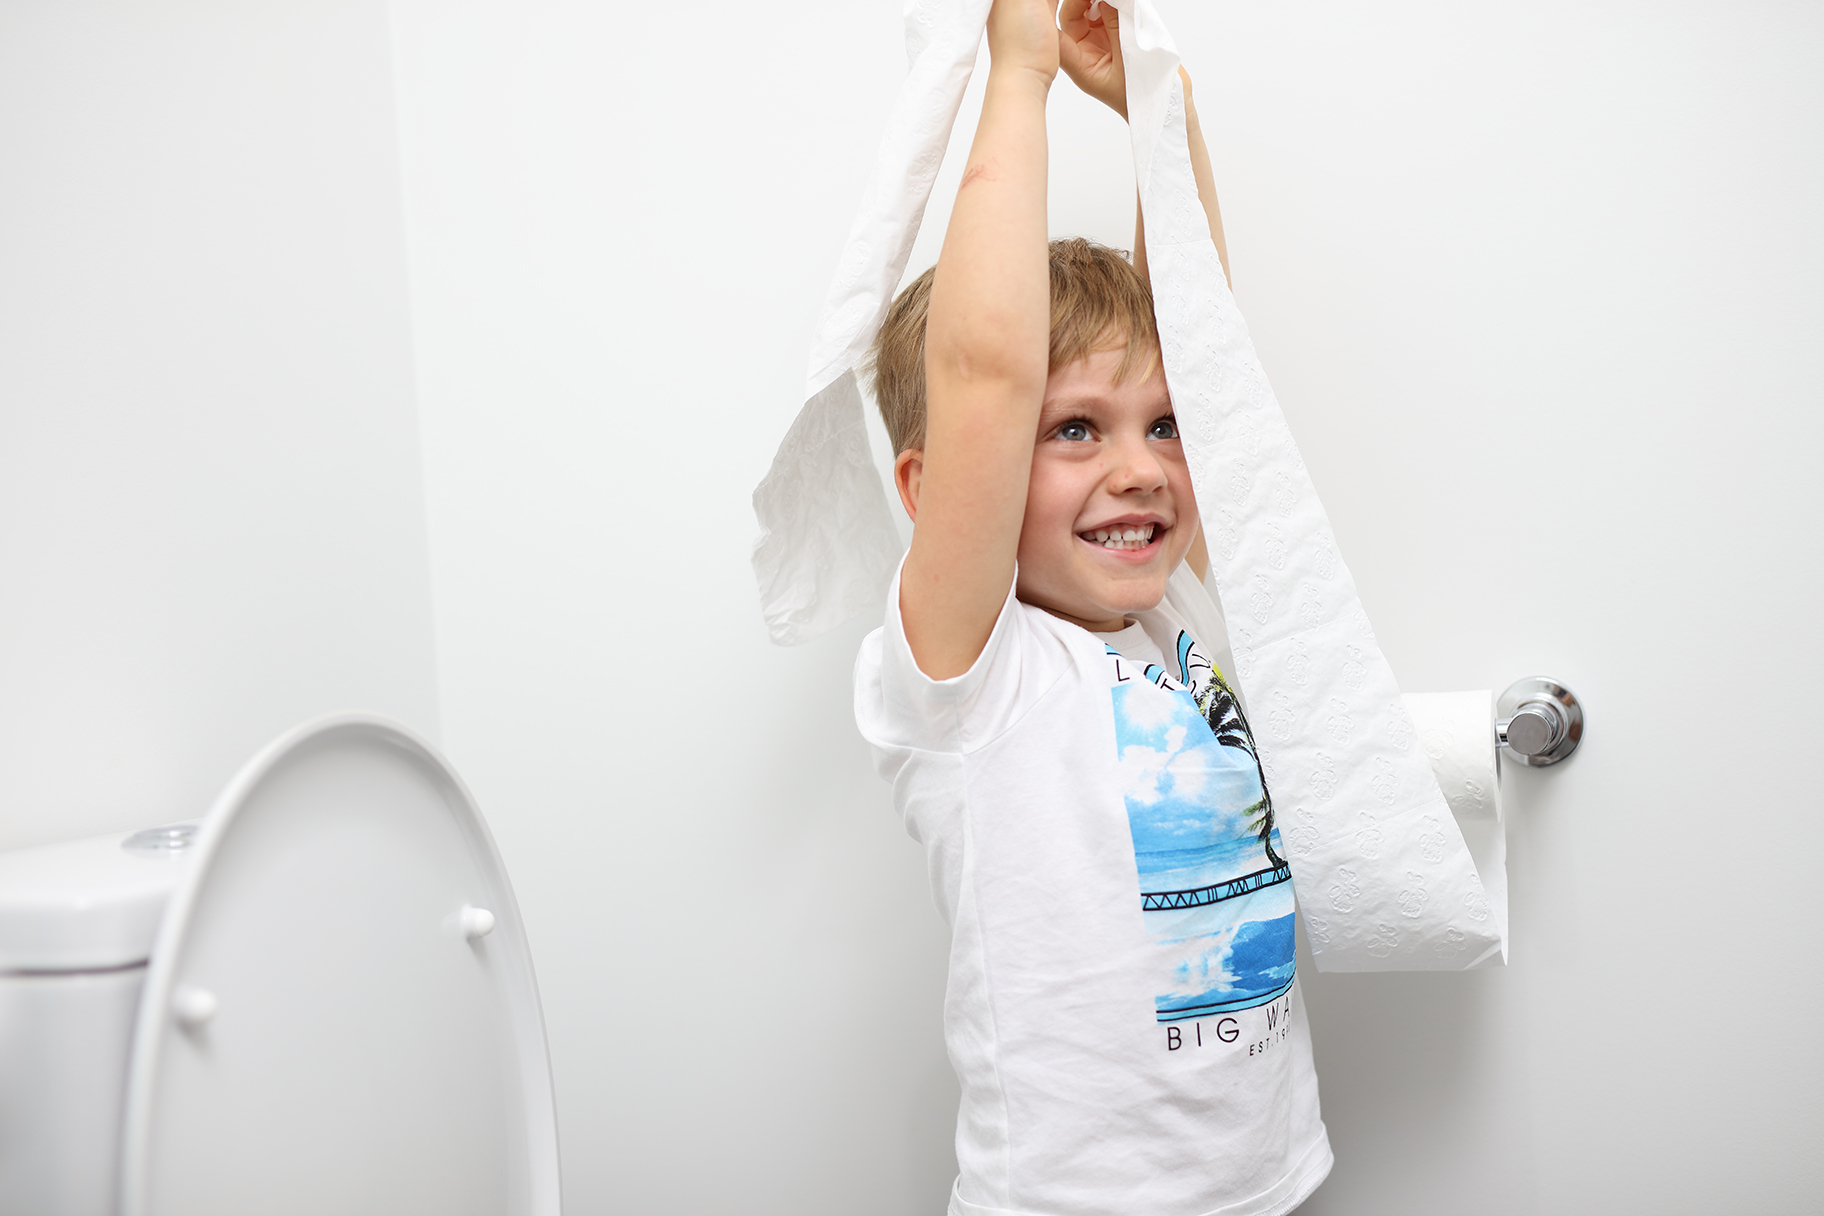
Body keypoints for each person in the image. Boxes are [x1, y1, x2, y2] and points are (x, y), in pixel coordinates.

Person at [852, 1, 1332, 1213]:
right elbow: (984, 373)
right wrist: (1017, 71)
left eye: (1159, 428)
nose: (1144, 468)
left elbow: (1203, 348)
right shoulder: (972, 676)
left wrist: (1160, 112)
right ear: (939, 483)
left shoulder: (1177, 614)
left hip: (1265, 1181)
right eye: (1074, 429)